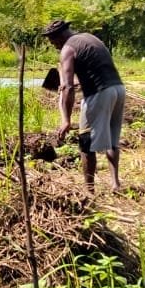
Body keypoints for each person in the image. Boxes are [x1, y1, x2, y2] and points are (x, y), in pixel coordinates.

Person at [42, 19, 126, 192]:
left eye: (53, 41)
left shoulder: (68, 49)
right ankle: (115, 184)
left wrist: (66, 120)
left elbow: (67, 87)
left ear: (59, 36)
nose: (54, 46)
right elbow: (94, 68)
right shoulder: (89, 38)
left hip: (99, 94)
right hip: (118, 89)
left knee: (86, 142)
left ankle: (88, 190)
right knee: (112, 140)